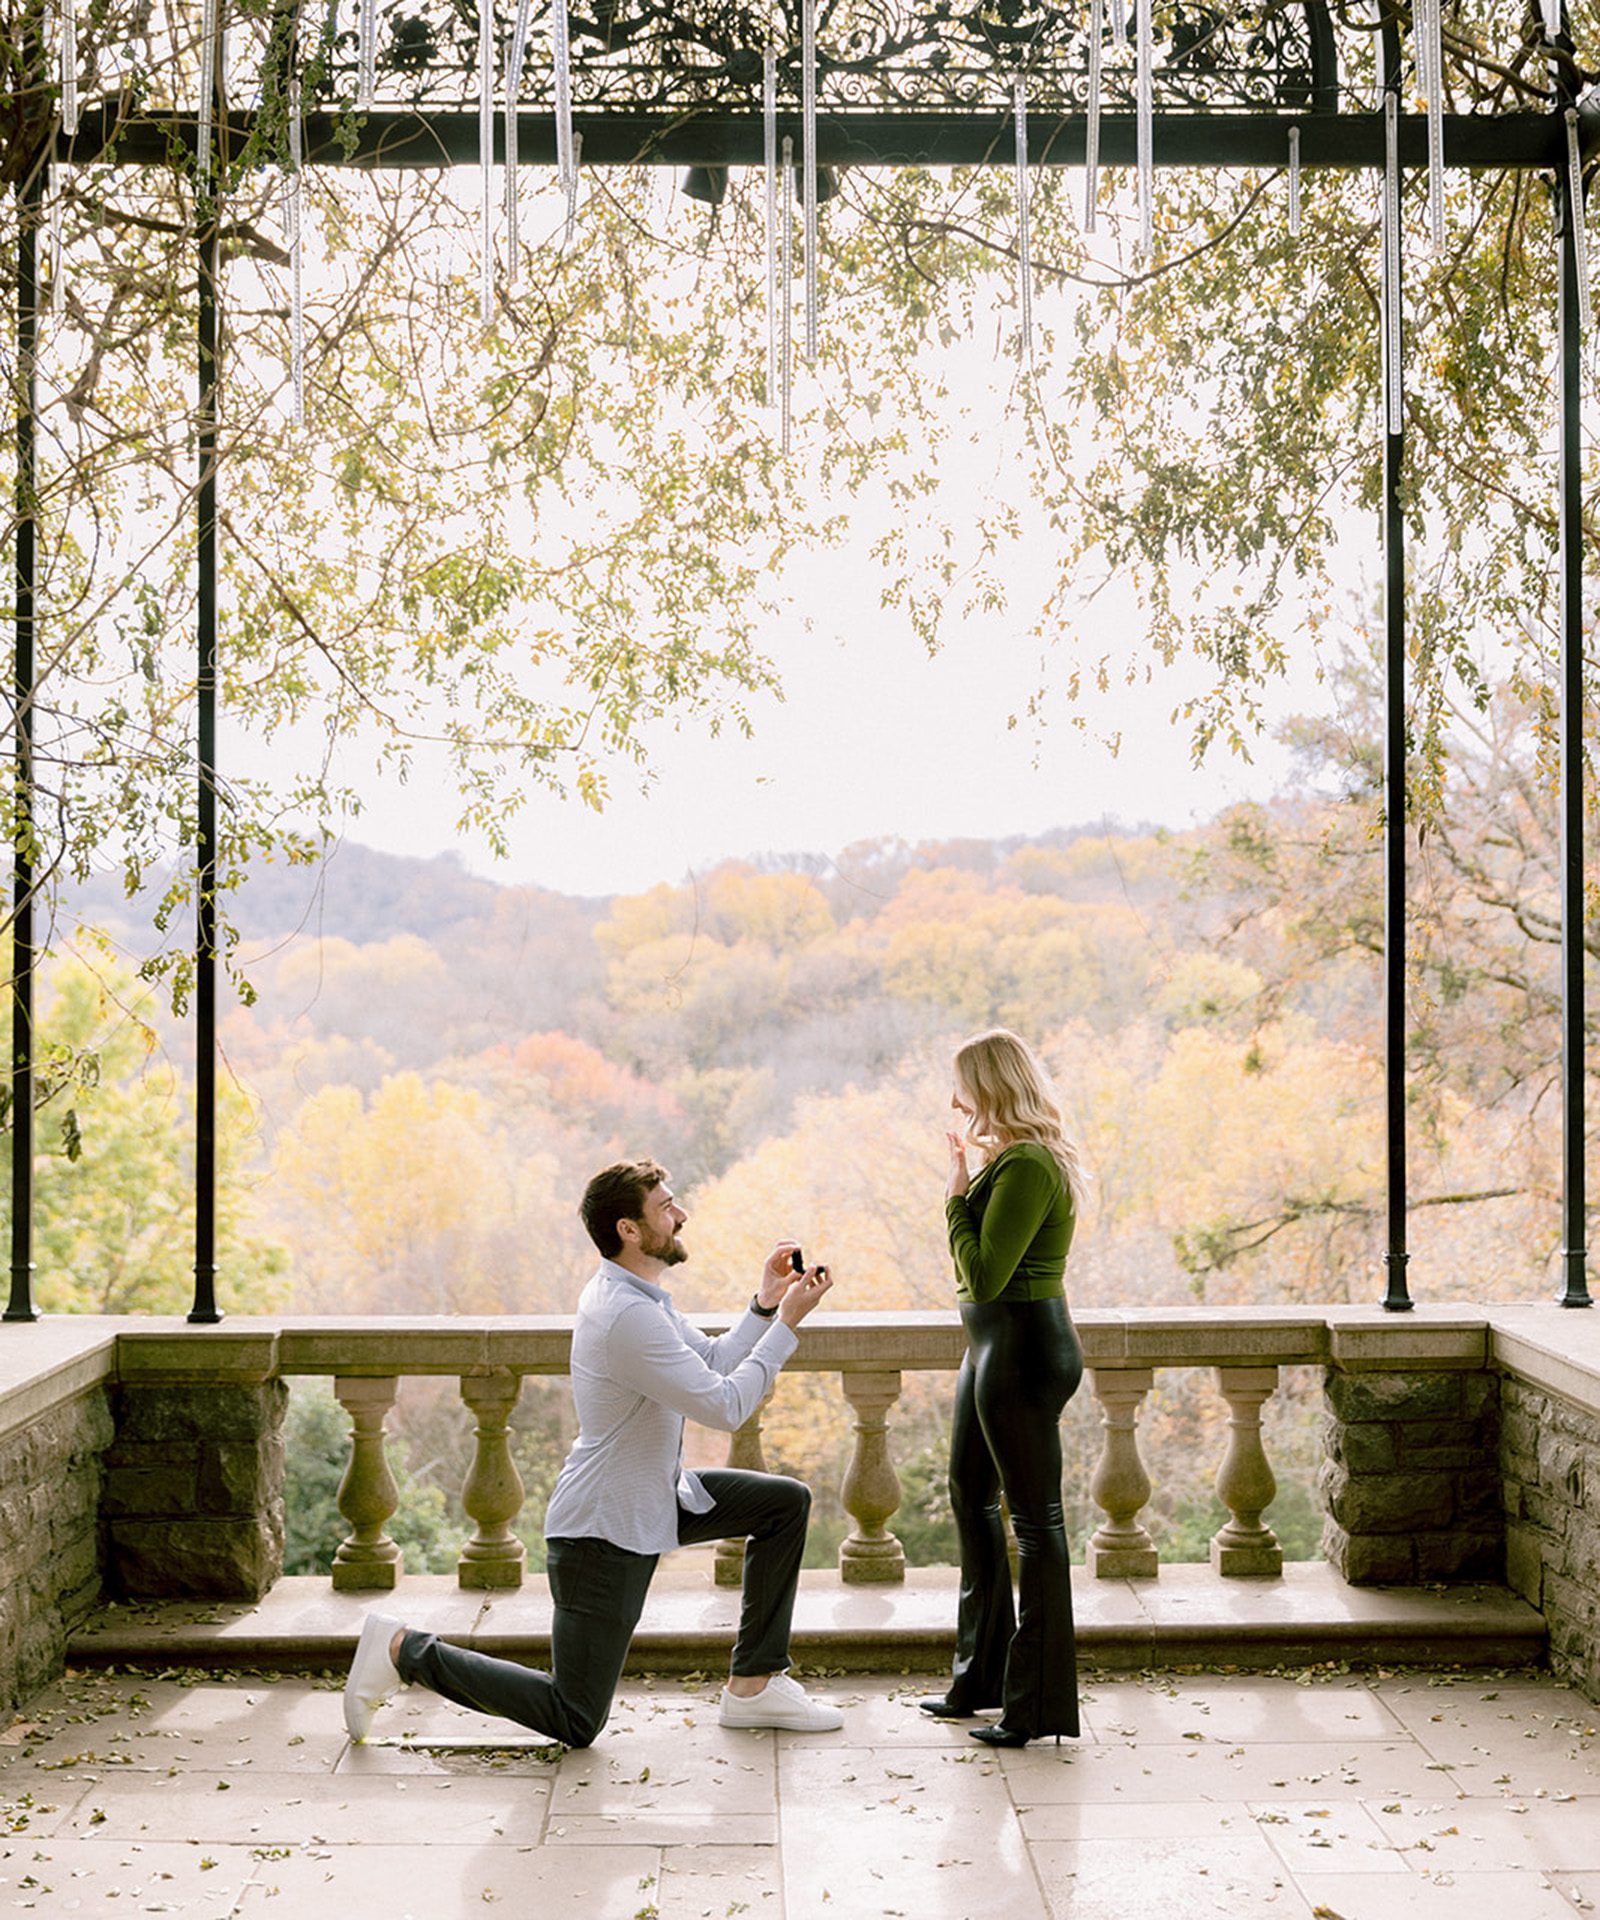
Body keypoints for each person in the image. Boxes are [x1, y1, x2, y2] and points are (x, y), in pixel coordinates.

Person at [343, 1158, 843, 1747]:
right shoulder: (627, 1314)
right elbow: (727, 1406)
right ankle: (403, 1649)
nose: (680, 1216)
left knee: (781, 1504)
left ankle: (754, 1687)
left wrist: (763, 1305)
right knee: (574, 1717)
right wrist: (786, 1325)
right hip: (602, 1531)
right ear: (629, 1230)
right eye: (665, 1207)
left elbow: (712, 1363)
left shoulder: (639, 1295)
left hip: (654, 1497)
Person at [919, 1028, 1087, 1748]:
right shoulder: (1008, 1162)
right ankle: (980, 1677)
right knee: (968, 1493)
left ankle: (1037, 1705)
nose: (956, 1101)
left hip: (1020, 1346)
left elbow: (985, 1274)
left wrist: (955, 1197)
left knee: (1036, 1525)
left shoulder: (1026, 1165)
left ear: (991, 1086)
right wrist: (968, 1179)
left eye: (964, 1085)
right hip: (992, 1346)